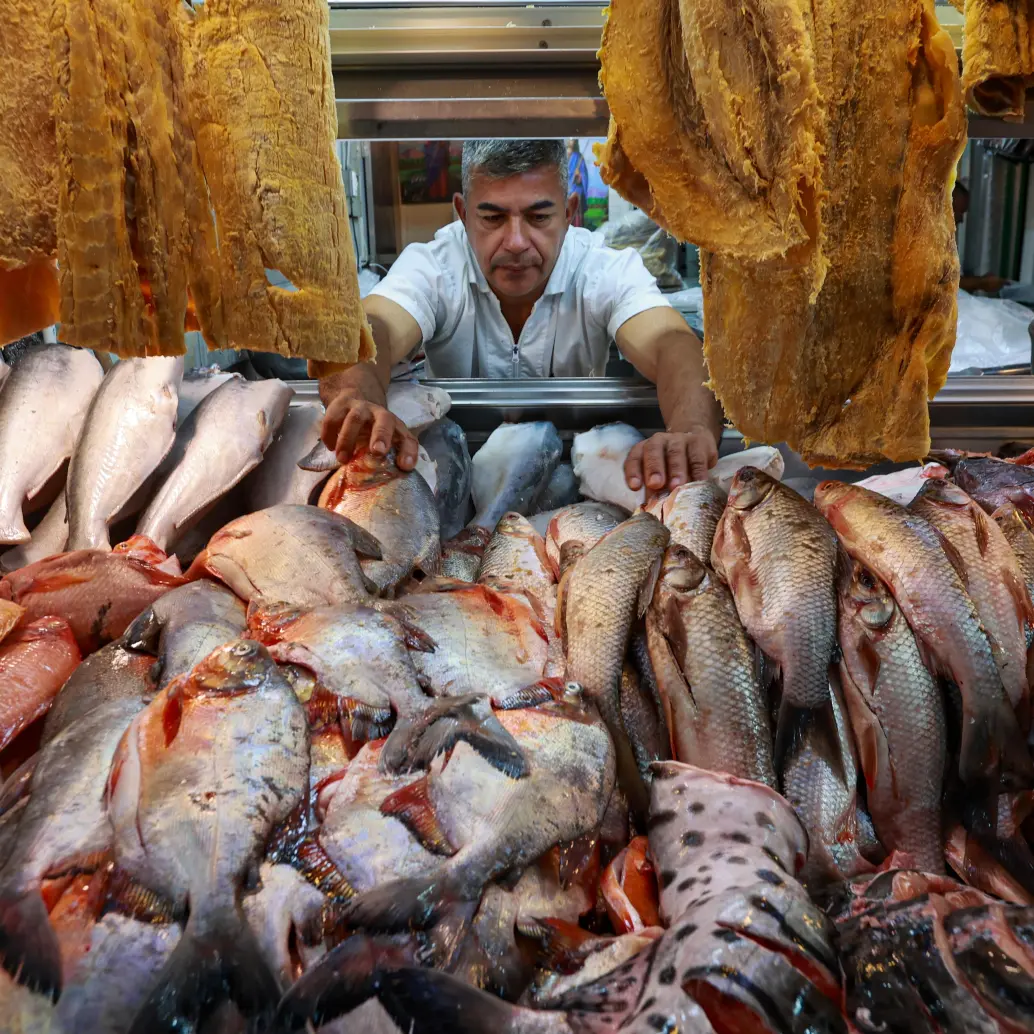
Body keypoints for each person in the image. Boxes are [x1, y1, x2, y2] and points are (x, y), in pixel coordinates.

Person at [318, 139, 723, 493]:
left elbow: (672, 344)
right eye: (492, 218)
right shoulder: (436, 265)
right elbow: (372, 329)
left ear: (570, 212)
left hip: (581, 475)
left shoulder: (602, 268)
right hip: (452, 472)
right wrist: (357, 399)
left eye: (538, 217)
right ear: (462, 212)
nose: (515, 242)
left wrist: (689, 430)